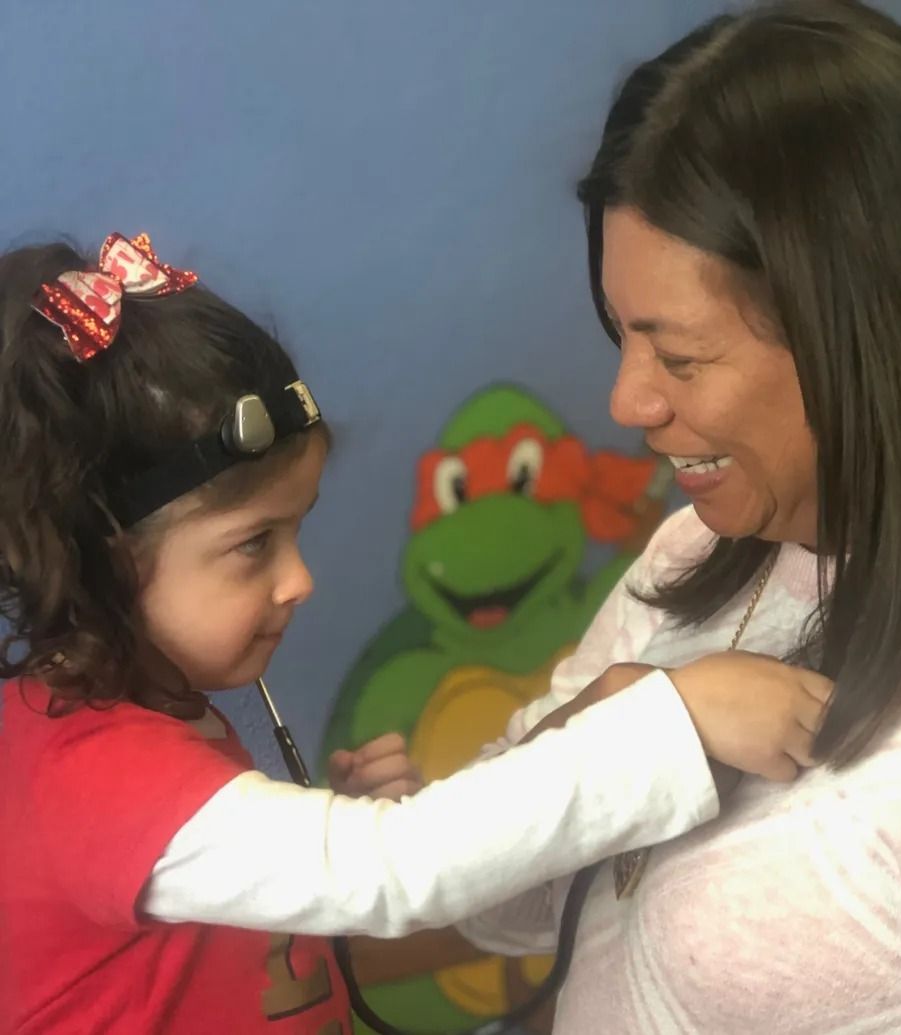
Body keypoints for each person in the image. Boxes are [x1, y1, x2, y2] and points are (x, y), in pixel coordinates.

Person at [0, 233, 830, 1034]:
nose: (298, 580)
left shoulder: (145, 718)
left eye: (295, 533)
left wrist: (320, 835)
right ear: (97, 561)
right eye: (253, 545)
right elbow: (388, 872)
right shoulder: (81, 772)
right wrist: (669, 724)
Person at [458, 1, 901, 1031]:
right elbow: (494, 907)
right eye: (620, 336)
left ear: (870, 335)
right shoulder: (698, 551)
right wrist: (604, 735)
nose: (629, 404)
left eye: (680, 357)